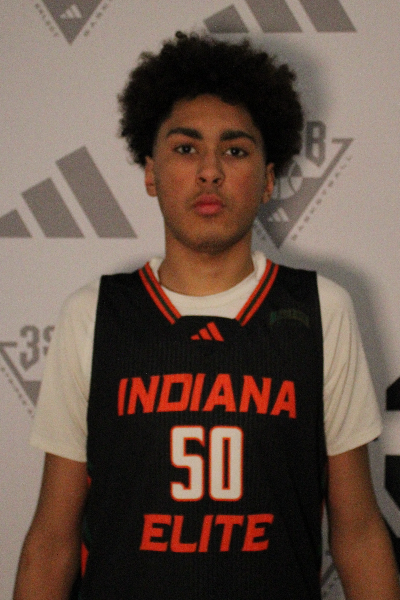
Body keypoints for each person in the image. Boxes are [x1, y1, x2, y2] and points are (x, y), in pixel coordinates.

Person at [13, 32, 400, 600]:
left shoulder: (319, 309)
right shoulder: (95, 314)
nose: (210, 171)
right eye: (186, 148)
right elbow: (51, 541)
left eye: (235, 151)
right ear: (150, 172)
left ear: (268, 179)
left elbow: (359, 531)